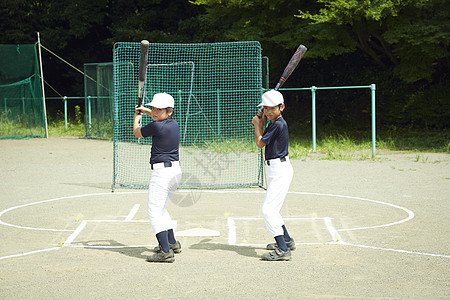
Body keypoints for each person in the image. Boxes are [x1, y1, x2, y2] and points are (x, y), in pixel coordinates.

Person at [133, 92, 182, 263]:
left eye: (159, 109)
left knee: (154, 211)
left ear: (169, 111)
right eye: (153, 108)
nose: (154, 112)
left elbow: (137, 133)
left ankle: (165, 252)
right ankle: (172, 243)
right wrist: (144, 110)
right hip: (175, 172)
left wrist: (137, 118)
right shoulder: (173, 123)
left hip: (162, 174)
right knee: (161, 208)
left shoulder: (157, 126)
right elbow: (157, 117)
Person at [251, 89, 295, 261]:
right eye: (266, 108)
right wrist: (261, 122)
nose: (268, 112)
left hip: (280, 170)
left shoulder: (278, 124)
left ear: (281, 107)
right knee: (273, 209)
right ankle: (287, 240)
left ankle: (283, 250)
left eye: (272, 109)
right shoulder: (274, 121)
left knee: (268, 211)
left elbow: (260, 143)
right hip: (276, 169)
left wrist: (258, 124)